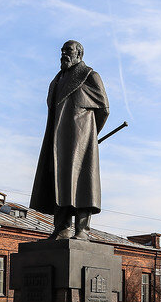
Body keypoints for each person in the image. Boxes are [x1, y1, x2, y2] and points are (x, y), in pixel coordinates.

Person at [29, 40, 109, 241]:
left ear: (79, 54)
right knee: (60, 181)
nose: (64, 54)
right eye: (62, 50)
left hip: (81, 139)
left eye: (69, 50)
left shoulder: (90, 76)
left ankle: (82, 230)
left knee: (82, 182)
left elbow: (104, 109)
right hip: (57, 140)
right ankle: (62, 228)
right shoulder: (56, 81)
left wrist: (89, 135)